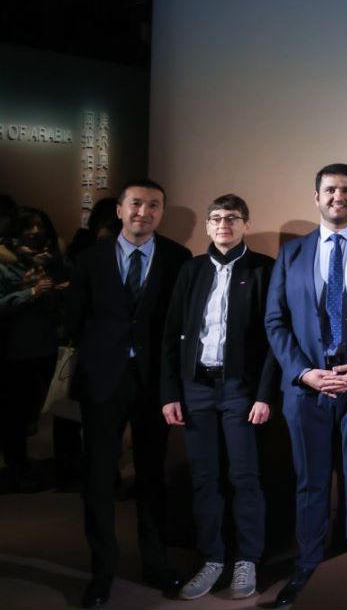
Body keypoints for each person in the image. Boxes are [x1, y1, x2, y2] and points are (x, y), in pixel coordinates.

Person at [264, 164, 347, 608]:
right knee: (311, 484)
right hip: (306, 390)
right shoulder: (292, 253)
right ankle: (307, 570)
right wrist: (303, 372)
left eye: (345, 190)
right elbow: (275, 321)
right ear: (316, 197)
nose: (337, 196)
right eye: (329, 190)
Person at [65, 179, 192, 607]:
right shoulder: (89, 259)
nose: (144, 212)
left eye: (154, 205)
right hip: (104, 380)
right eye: (136, 203)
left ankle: (156, 562)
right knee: (100, 477)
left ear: (161, 212)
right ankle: (102, 571)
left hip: (155, 382)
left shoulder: (178, 258)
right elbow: (74, 320)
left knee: (151, 475)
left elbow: (179, 323)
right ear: (119, 209)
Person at [160, 194, 279, 600]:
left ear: (246, 224)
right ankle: (211, 558)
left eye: (231, 218)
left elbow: (273, 340)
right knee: (204, 478)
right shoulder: (191, 270)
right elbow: (170, 334)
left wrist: (264, 395)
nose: (223, 224)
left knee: (245, 477)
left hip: (240, 389)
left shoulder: (264, 269)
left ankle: (247, 559)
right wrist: (170, 392)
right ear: (208, 226)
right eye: (215, 218)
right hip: (196, 388)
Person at [0, 206, 68, 492]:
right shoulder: (5, 263)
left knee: (45, 411)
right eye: (29, 225)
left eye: (41, 225)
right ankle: (17, 470)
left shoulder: (54, 260)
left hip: (50, 347)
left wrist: (60, 290)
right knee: (15, 414)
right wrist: (30, 293)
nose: (36, 231)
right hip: (15, 350)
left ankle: (50, 469)